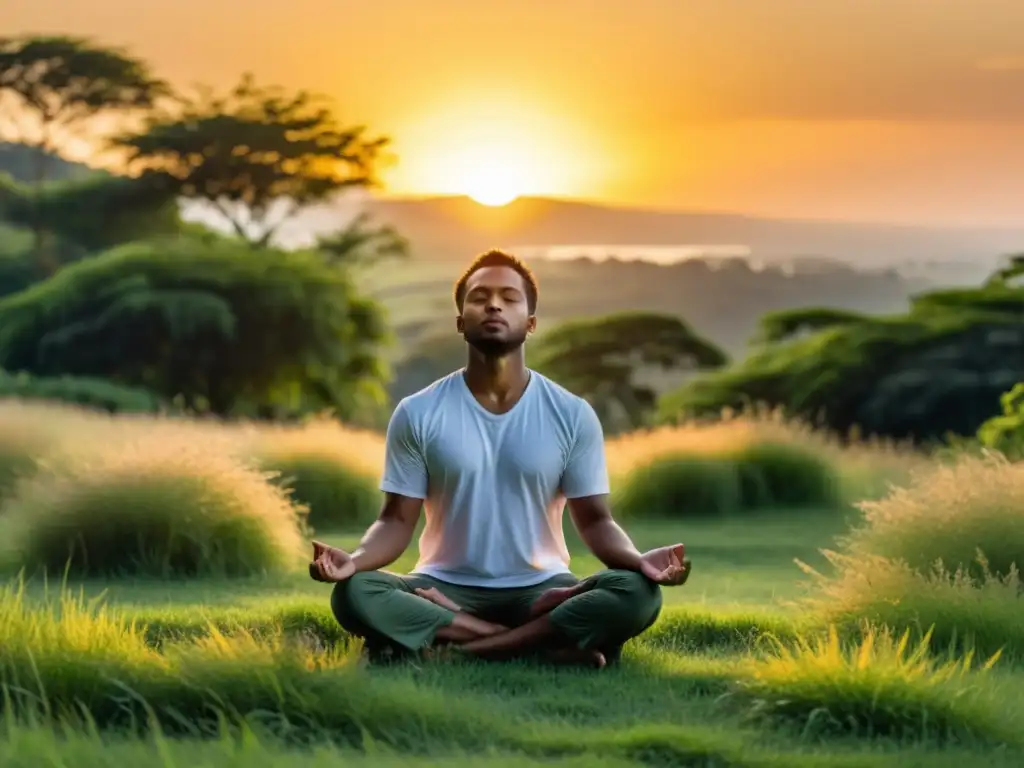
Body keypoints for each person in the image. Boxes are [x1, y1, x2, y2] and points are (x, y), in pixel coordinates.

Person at [310, 249, 691, 668]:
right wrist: (355, 561)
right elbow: (395, 521)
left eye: (509, 298)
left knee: (636, 593)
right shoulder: (417, 412)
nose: (493, 304)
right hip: (441, 585)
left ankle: (459, 647)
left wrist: (639, 562)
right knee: (355, 593)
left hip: (543, 591)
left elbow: (596, 521)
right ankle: (542, 647)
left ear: (530, 322)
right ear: (461, 321)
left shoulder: (571, 413)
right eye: (479, 297)